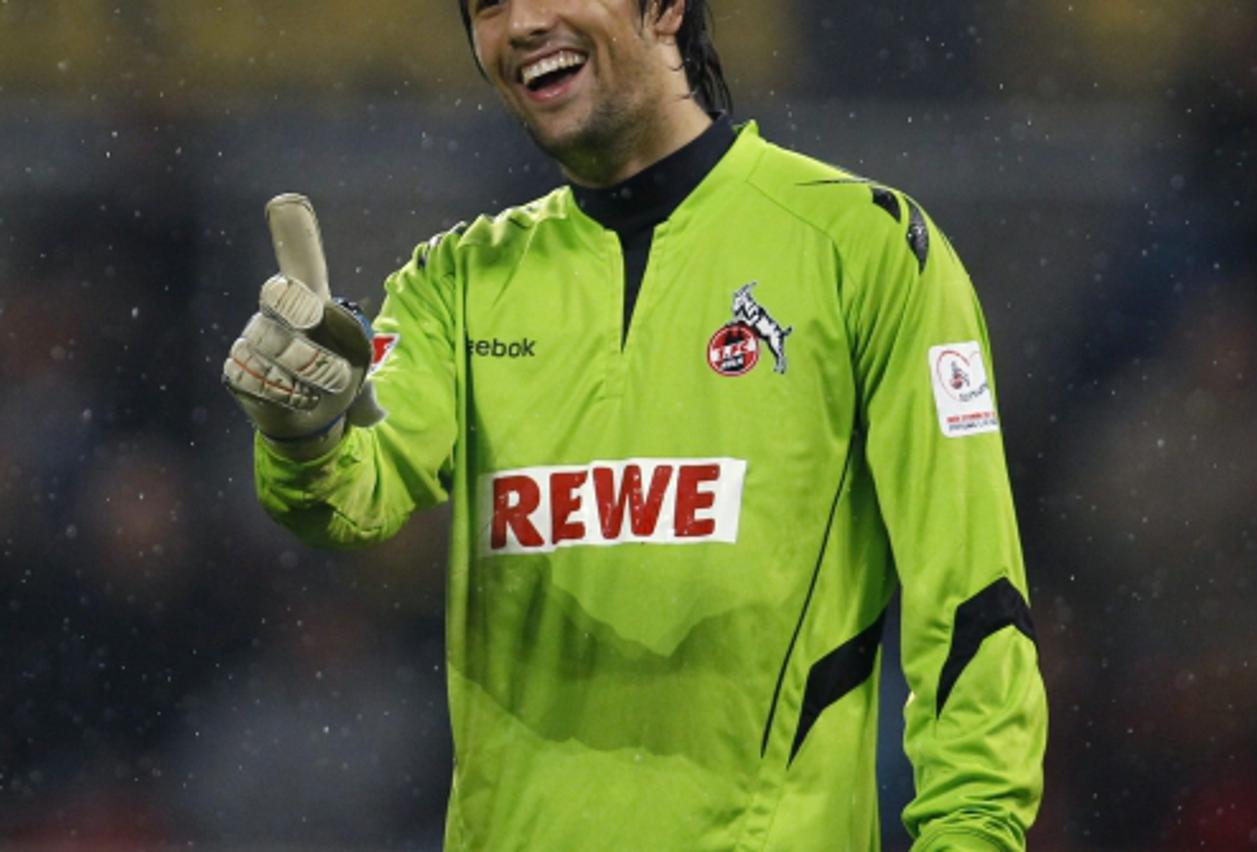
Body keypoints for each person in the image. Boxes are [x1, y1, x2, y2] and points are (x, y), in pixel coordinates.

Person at [223, 0, 1047, 848]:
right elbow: (353, 494)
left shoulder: (865, 250)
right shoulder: (456, 282)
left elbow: (974, 602)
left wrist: (972, 833)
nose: (520, 26)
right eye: (488, 6)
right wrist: (301, 431)